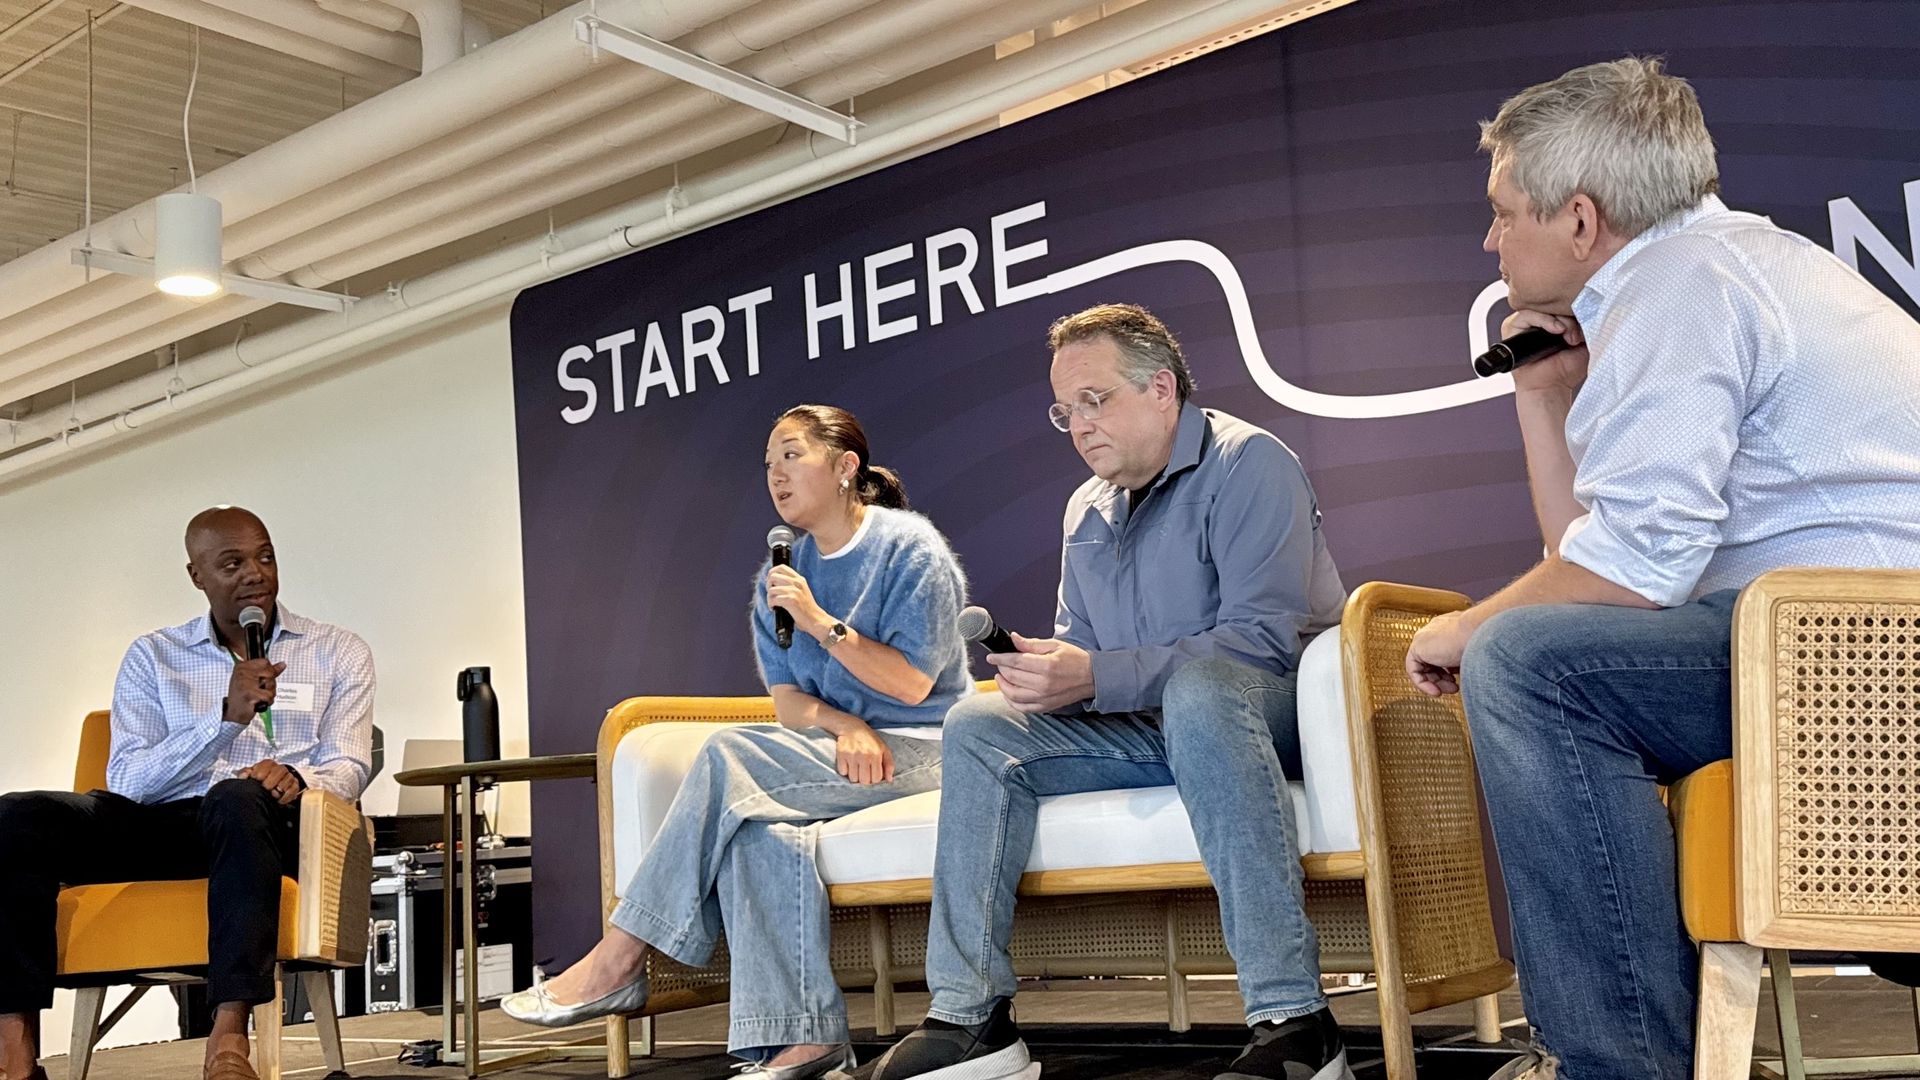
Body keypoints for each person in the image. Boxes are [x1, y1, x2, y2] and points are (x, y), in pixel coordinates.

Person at [1403, 57, 1920, 1080]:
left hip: (1863, 661)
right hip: (1831, 641)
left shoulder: (1676, 286)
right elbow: (1590, 557)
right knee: (1543, 650)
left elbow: (1629, 573)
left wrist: (1460, 631)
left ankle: (1616, 1062)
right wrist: (1543, 393)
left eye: (1504, 212)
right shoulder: (1717, 268)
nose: (1490, 238)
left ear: (1583, 222)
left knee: (1526, 663)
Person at [860, 304, 1349, 1080]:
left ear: (1162, 390)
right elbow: (1084, 646)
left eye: (1096, 401)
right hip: (1153, 719)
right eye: (1065, 410)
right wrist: (1051, 673)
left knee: (1202, 693)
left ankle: (1296, 1020)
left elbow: (1260, 642)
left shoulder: (1249, 463)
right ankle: (971, 1018)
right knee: (979, 726)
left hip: (1266, 711)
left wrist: (1096, 673)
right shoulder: (1084, 508)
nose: (1079, 426)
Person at [503, 404, 972, 1080]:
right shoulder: (775, 580)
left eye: (791, 456)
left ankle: (618, 958)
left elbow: (911, 683)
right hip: (844, 754)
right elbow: (787, 703)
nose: (776, 475)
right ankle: (807, 1044)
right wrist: (845, 723)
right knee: (759, 831)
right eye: (768, 463)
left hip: (932, 747)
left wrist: (819, 622)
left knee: (727, 753)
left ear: (845, 468)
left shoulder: (908, 549)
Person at [0, 507, 376, 1080]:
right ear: (196, 574)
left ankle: (228, 1039)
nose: (255, 573)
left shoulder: (337, 650)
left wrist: (300, 781)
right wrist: (225, 719)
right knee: (16, 817)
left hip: (269, 824)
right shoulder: (153, 656)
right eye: (232, 563)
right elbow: (127, 781)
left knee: (235, 798)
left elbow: (350, 760)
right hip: (159, 826)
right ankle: (14, 1052)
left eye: (265, 556)